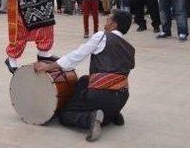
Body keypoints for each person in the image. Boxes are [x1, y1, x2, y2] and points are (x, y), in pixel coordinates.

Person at [34, 9, 135, 142]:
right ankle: (112, 114)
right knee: (83, 80)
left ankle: (90, 119)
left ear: (114, 25)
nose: (106, 20)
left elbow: (75, 56)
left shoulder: (102, 37)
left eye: (109, 19)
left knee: (64, 115)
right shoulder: (129, 48)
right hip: (122, 96)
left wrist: (48, 67)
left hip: (102, 95)